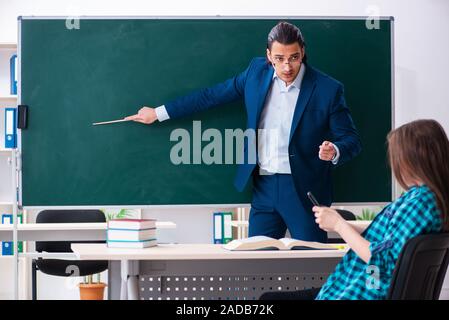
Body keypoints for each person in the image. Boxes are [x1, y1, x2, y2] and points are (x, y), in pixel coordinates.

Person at [126, 21, 361, 242]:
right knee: (256, 262)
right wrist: (159, 113)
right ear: (269, 56)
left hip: (305, 192)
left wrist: (336, 150)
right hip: (264, 189)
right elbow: (210, 96)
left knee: (310, 264)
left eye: (294, 58)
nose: (287, 66)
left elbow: (351, 139)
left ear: (303, 52)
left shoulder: (328, 89)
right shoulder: (255, 74)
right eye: (279, 58)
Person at [260, 119, 449, 300]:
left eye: (397, 158)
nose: (394, 165)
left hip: (359, 292)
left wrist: (339, 224)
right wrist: (340, 224)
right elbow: (387, 239)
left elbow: (380, 260)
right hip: (360, 288)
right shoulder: (426, 199)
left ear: (413, 159)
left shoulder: (420, 203)